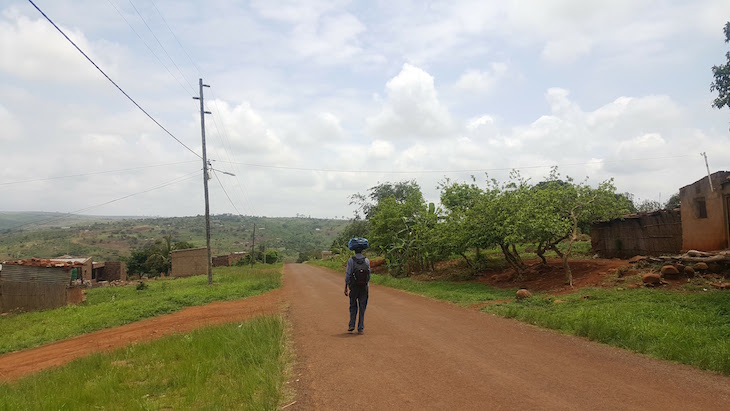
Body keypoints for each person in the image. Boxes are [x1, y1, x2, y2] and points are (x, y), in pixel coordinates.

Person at [344, 246, 370, 334]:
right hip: (364, 287)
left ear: (354, 250)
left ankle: (351, 325)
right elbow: (369, 274)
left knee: (353, 306)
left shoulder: (351, 260)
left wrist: (346, 286)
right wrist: (366, 285)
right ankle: (360, 328)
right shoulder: (366, 260)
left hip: (354, 287)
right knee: (362, 307)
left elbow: (348, 274)